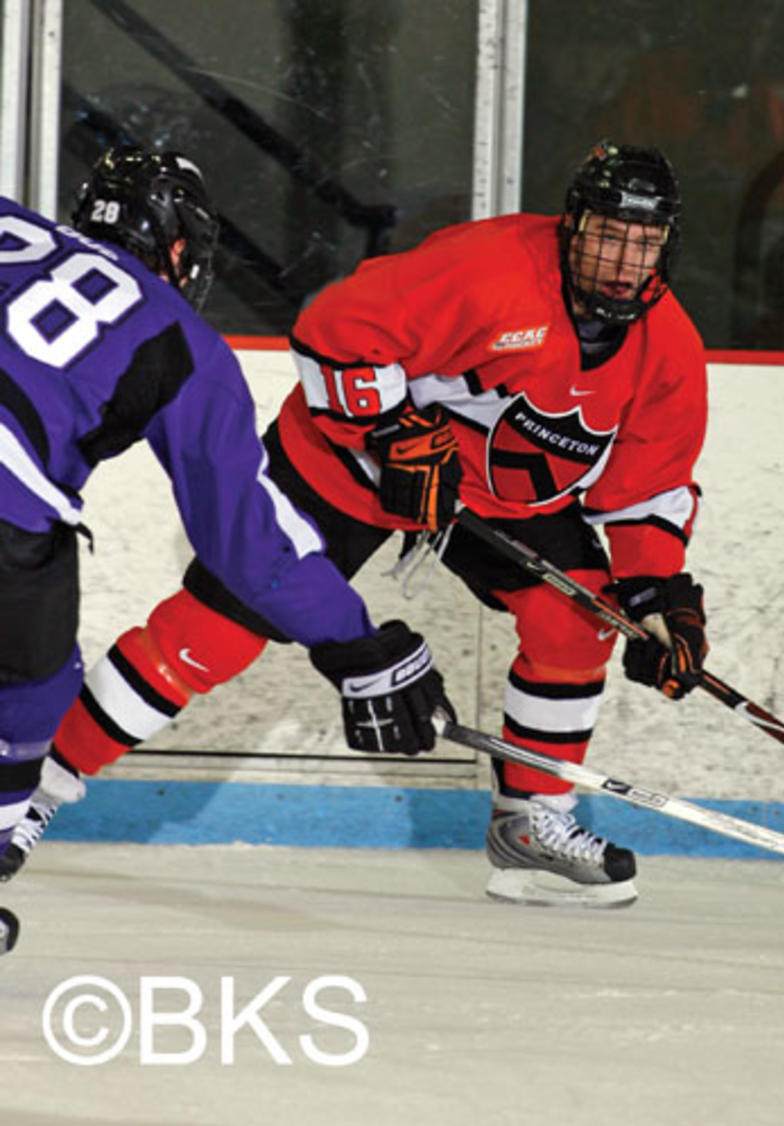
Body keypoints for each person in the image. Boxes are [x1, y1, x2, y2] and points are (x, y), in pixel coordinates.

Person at [4, 140, 711, 909]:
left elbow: (648, 491)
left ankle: (533, 822)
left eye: (642, 243)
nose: (622, 260)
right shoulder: (490, 268)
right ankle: (42, 783)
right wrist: (392, 432)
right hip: (349, 458)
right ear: (571, 226)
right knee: (215, 630)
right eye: (607, 235)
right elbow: (333, 329)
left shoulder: (669, 352)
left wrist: (656, 600)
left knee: (580, 621)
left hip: (499, 498)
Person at [0, 147, 454, 890]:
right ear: (180, 248)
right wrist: (354, 643)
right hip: (9, 514)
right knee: (30, 691)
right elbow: (249, 546)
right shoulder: (182, 339)